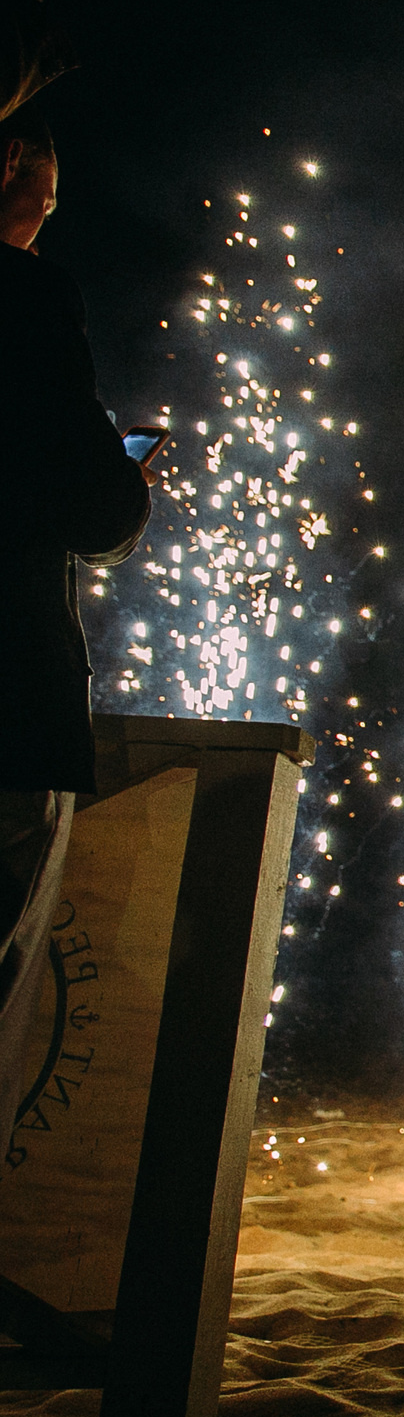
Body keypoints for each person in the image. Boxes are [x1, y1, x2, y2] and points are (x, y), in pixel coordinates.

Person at [0, 102, 150, 1108]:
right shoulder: (26, 299)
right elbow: (91, 505)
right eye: (38, 196)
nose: (45, 216)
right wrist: (124, 480)